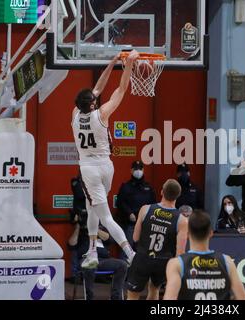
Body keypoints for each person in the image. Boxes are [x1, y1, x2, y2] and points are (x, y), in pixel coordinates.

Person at [71, 50, 139, 269]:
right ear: (92, 103)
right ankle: (92, 252)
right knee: (95, 210)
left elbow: (97, 88)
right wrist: (127, 64)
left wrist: (112, 62)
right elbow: (121, 88)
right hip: (106, 167)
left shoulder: (74, 113)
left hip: (89, 168)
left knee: (105, 216)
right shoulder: (102, 114)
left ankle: (130, 253)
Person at [164, 209, 245, 300]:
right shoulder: (227, 261)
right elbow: (243, 298)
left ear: (187, 233)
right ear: (211, 233)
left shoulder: (176, 263)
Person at [126, 179, 189, 300]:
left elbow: (135, 237)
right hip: (163, 261)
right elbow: (180, 253)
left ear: (161, 192)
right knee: (154, 289)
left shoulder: (145, 209)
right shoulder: (182, 220)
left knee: (132, 296)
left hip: (143, 257)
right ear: (178, 196)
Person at [67, 210, 128, 300]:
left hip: (103, 260)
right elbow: (71, 245)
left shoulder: (101, 229)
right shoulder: (81, 233)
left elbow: (109, 239)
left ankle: (116, 297)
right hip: (87, 260)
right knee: (90, 264)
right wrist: (78, 227)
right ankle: (90, 297)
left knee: (122, 264)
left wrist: (94, 228)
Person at [115, 160, 156, 249]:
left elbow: (153, 204)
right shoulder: (126, 186)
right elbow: (120, 203)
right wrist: (129, 213)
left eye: (140, 169)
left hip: (145, 224)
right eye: (136, 169)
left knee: (144, 250)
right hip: (130, 224)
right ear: (131, 170)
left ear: (143, 170)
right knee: (127, 251)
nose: (138, 171)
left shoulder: (148, 187)